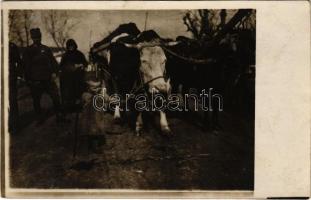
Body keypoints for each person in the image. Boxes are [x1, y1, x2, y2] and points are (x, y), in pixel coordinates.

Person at [22, 28, 61, 124]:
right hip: (35, 80)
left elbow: (53, 62)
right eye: (35, 37)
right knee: (36, 100)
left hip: (47, 79)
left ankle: (60, 116)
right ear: (32, 38)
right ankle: (39, 118)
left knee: (56, 96)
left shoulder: (46, 49)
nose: (37, 39)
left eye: (38, 37)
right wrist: (28, 79)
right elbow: (25, 66)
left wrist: (55, 72)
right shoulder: (28, 51)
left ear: (41, 37)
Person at [59, 39, 87, 118]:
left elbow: (85, 63)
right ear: (67, 47)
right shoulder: (65, 55)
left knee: (78, 92)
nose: (71, 47)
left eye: (72, 46)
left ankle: (77, 108)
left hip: (78, 77)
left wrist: (81, 65)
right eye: (69, 46)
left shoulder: (79, 54)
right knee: (69, 93)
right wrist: (69, 67)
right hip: (68, 78)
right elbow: (61, 66)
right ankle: (69, 108)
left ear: (75, 45)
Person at [9, 42, 22, 132]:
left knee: (12, 102)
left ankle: (15, 126)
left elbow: (19, 62)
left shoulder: (12, 46)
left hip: (10, 78)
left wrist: (18, 75)